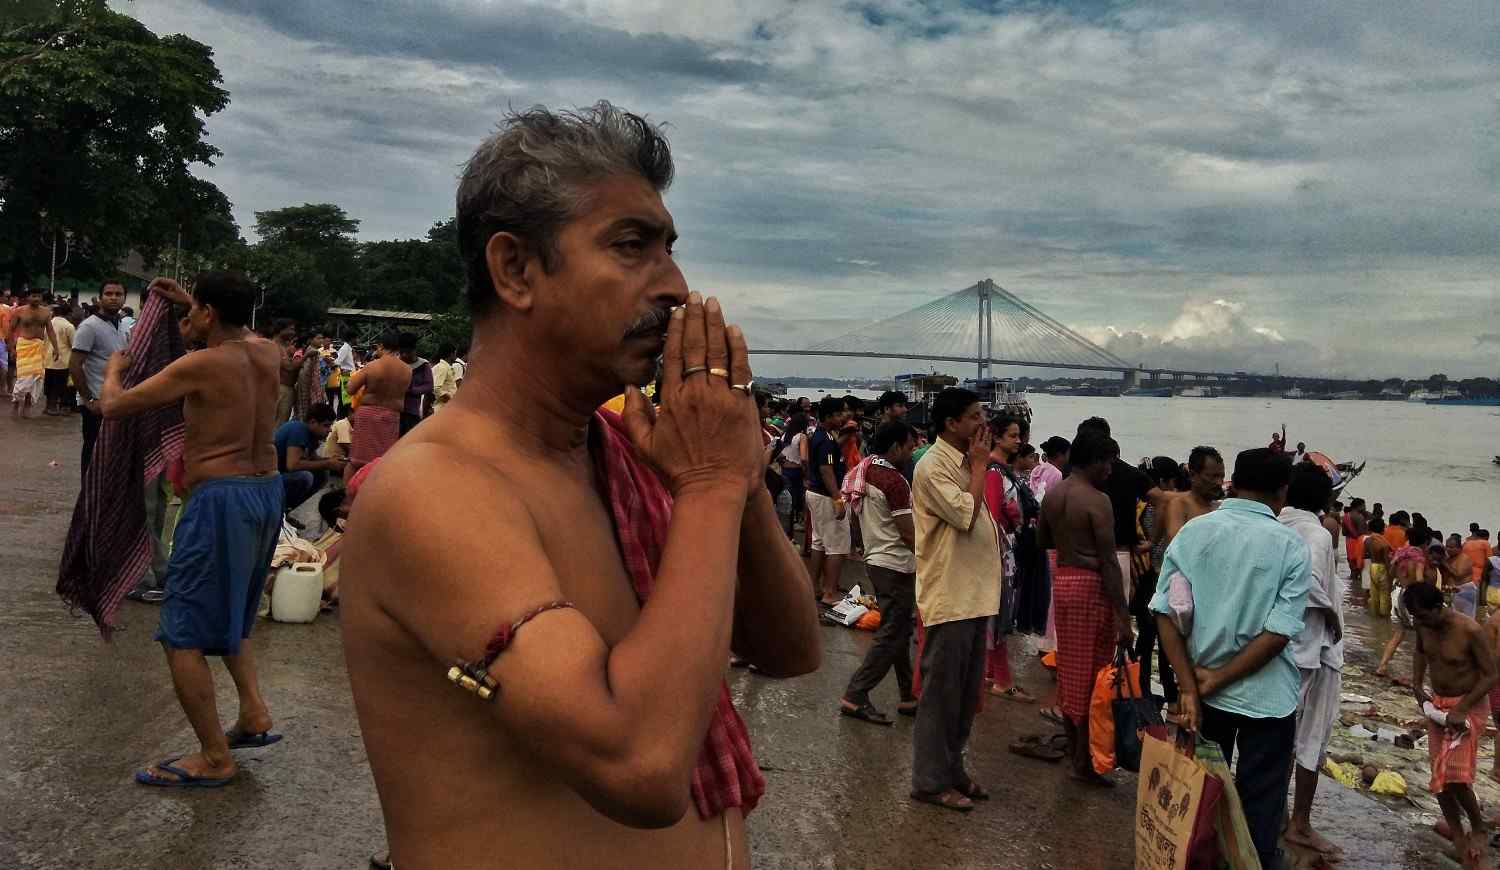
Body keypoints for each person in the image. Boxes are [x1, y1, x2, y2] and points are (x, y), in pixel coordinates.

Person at [339, 103, 820, 869]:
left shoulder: (621, 453)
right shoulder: (434, 489)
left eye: (670, 250)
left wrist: (739, 477)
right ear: (516, 271)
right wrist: (709, 485)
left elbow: (789, 647)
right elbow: (639, 767)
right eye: (632, 246)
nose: (676, 288)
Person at [97, 273, 285, 788]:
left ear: (207, 313)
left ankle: (214, 757)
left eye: (195, 311)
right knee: (235, 614)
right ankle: (253, 714)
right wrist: (192, 302)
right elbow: (236, 332)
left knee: (181, 634)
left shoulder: (199, 365)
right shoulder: (270, 353)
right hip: (267, 491)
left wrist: (114, 370)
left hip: (219, 499)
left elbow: (113, 406)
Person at [1150, 448, 1309, 870]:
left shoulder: (1195, 532)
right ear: (1282, 493)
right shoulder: (1291, 545)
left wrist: (1189, 686)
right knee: (1260, 806)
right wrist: (1213, 681)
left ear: (1232, 483)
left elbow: (1165, 611)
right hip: (1266, 698)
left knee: (1200, 796)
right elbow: (1277, 634)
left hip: (1203, 693)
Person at [910, 387, 998, 812]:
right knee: (941, 695)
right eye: (975, 416)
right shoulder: (932, 466)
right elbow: (965, 513)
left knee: (965, 696)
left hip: (974, 594)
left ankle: (953, 768)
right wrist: (981, 465)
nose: (983, 423)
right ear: (951, 423)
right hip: (950, 594)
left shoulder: (962, 462)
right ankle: (929, 781)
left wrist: (977, 464)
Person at [1038, 428, 1130, 786]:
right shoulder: (1097, 500)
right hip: (1091, 587)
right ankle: (1084, 761)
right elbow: (1108, 561)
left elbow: (1042, 539)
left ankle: (1079, 755)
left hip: (1064, 582)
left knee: (1071, 672)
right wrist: (1124, 617)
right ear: (1093, 461)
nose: (1110, 469)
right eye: (1107, 462)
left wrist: (1071, 551)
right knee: (1094, 672)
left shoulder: (1055, 494)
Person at [1408, 582, 1498, 869]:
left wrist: (1460, 708)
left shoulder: (1469, 630)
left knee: (1458, 777)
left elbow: (1490, 675)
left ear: (1438, 607)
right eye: (1414, 617)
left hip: (1467, 706)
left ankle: (1478, 826)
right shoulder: (1424, 626)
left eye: (1422, 615)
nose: (1418, 622)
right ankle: (1458, 836)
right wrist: (1416, 685)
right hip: (1438, 706)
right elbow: (1421, 653)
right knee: (1440, 780)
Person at [1280, 465, 1345, 861]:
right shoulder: (1318, 533)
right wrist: (1333, 614)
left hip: (1279, 645)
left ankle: (1280, 814)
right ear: (1323, 499)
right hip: (1315, 648)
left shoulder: (1276, 523)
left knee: (1283, 736)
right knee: (1312, 739)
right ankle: (1300, 822)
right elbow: (1310, 584)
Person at [839, 421, 920, 724]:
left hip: (876, 559)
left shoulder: (865, 470)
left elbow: (855, 522)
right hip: (896, 563)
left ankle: (908, 694)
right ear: (895, 447)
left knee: (897, 629)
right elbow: (908, 533)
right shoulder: (895, 481)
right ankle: (856, 694)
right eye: (910, 448)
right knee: (893, 632)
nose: (912, 454)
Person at [982, 414, 1035, 703]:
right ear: (998, 437)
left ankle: (993, 674)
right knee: (1001, 616)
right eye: (1013, 436)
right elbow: (992, 514)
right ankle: (1002, 680)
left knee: (997, 615)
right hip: (1001, 554)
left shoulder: (1000, 470)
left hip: (1004, 552)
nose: (1018, 441)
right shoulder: (994, 472)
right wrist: (1013, 517)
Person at [69, 281, 132, 469]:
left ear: (124, 298)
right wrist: (88, 399)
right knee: (93, 453)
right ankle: (88, 495)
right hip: (96, 401)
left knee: (113, 453)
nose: (113, 297)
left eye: (118, 294)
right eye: (108, 293)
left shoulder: (123, 326)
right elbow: (75, 364)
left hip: (117, 400)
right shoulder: (89, 326)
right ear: (100, 298)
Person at [805, 395, 851, 606]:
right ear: (830, 416)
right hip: (825, 495)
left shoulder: (821, 435)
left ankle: (814, 586)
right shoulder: (826, 440)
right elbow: (826, 469)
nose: (844, 416)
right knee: (837, 545)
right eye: (841, 413)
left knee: (819, 542)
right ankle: (830, 592)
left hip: (815, 494)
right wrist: (838, 499)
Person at [345, 330, 410, 473]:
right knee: (381, 462)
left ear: (381, 346)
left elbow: (350, 388)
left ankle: (349, 493)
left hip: (368, 414)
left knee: (356, 461)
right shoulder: (407, 370)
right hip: (391, 416)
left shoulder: (373, 366)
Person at [1378, 527, 1439, 678]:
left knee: (1399, 633)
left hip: (1397, 593)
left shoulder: (1400, 554)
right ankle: (1421, 674)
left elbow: (1391, 574)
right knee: (1424, 634)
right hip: (1412, 596)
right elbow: (1418, 579)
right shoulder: (1418, 557)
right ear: (1425, 542)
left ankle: (1382, 666)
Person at [274, 403, 343, 513]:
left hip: (281, 475)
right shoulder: (298, 430)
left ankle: (291, 509)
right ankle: (283, 510)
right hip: (270, 479)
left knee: (322, 473)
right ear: (312, 422)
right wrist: (327, 463)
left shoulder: (311, 435)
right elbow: (292, 465)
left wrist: (332, 461)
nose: (329, 430)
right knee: (305, 477)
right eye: (326, 425)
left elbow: (313, 458)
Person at [6, 288, 61, 418]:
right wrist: (10, 348)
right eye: (33, 296)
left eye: (38, 296)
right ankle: (16, 403)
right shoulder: (19, 311)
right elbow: (11, 329)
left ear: (42, 298)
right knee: (23, 379)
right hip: (24, 346)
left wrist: (56, 348)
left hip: (38, 347)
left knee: (36, 378)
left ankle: (27, 406)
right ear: (28, 297)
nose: (36, 298)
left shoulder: (46, 312)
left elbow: (51, 330)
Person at [1160, 446, 1224, 547]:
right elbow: (1177, 546)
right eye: (1213, 476)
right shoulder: (1179, 506)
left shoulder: (1221, 507)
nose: (1219, 482)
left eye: (1222, 476)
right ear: (1193, 475)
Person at [776, 412, 808, 540]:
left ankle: (788, 529)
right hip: (797, 471)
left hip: (784, 470)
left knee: (787, 501)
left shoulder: (785, 436)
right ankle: (796, 525)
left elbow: (779, 454)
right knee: (798, 499)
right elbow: (804, 458)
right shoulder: (802, 436)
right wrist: (806, 473)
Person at [397, 332, 433, 435]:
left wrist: (412, 390)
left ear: (414, 350)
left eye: (407, 352)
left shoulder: (423, 365)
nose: (404, 355)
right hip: (394, 411)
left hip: (412, 412)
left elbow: (429, 386)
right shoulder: (395, 363)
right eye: (402, 352)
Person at [44, 300, 76, 415]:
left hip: (47, 359)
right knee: (61, 385)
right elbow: (74, 345)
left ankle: (49, 405)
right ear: (68, 314)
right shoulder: (69, 326)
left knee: (49, 383)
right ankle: (61, 407)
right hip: (63, 361)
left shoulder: (48, 324)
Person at [271, 318, 299, 424]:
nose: (293, 332)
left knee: (281, 421)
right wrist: (306, 356)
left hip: (286, 389)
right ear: (281, 330)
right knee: (279, 422)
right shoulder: (275, 345)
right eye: (291, 329)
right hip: (281, 388)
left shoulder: (285, 346)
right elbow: (288, 367)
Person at [1365, 518, 1394, 618]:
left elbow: (1365, 555)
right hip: (1381, 567)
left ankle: (1374, 616)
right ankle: (1384, 618)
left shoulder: (1367, 541)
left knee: (1374, 592)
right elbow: (1386, 562)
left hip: (1372, 566)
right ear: (1382, 529)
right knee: (1385, 593)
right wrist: (1391, 574)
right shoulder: (1384, 544)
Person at [1031, 435, 1068, 500]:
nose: (1068, 459)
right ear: (1059, 455)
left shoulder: (1036, 469)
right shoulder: (1057, 474)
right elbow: (1055, 500)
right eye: (1068, 454)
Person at [431, 343, 458, 411]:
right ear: (451, 354)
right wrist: (450, 400)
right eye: (455, 353)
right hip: (442, 407)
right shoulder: (442, 367)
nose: (456, 356)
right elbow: (436, 388)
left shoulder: (446, 367)